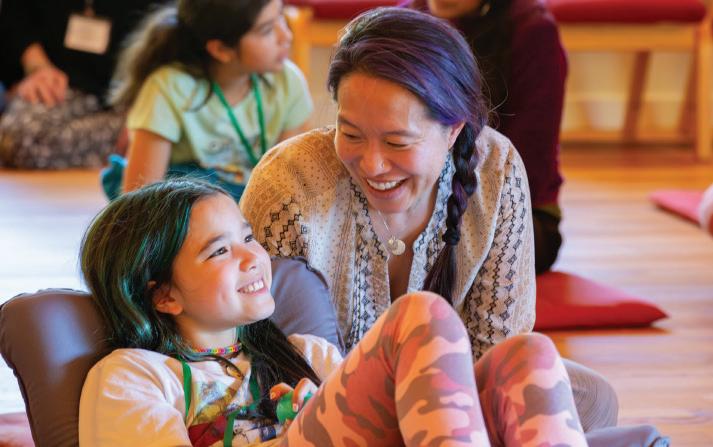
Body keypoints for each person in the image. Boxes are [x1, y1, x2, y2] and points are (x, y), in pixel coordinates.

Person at [241, 6, 618, 433]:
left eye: (397, 142)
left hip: (454, 400)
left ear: (454, 130)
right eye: (350, 134)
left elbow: (497, 352)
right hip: (323, 408)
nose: (372, 164)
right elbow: (257, 352)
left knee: (593, 395)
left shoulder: (496, 172)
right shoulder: (289, 185)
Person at [77, 178, 587, 446]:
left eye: (248, 237)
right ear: (164, 296)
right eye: (220, 251)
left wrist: (315, 411)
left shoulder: (310, 354)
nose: (253, 257)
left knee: (527, 355)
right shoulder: (134, 375)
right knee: (419, 317)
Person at [410, 0, 567, 274]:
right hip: (416, 197)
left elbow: (525, 167)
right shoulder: (407, 19)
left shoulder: (532, 30)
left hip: (512, 213)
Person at [101, 0, 313, 201]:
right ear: (221, 50)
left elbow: (290, 179)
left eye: (281, 16)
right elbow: (140, 197)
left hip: (251, 200)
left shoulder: (288, 81)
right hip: (183, 203)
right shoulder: (169, 87)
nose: (286, 36)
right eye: (266, 30)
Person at [0, 0, 162, 169]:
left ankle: (144, 143)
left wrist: (145, 109)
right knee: (16, 139)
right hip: (61, 84)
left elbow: (168, 32)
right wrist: (37, 67)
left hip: (133, 94)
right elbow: (16, 16)